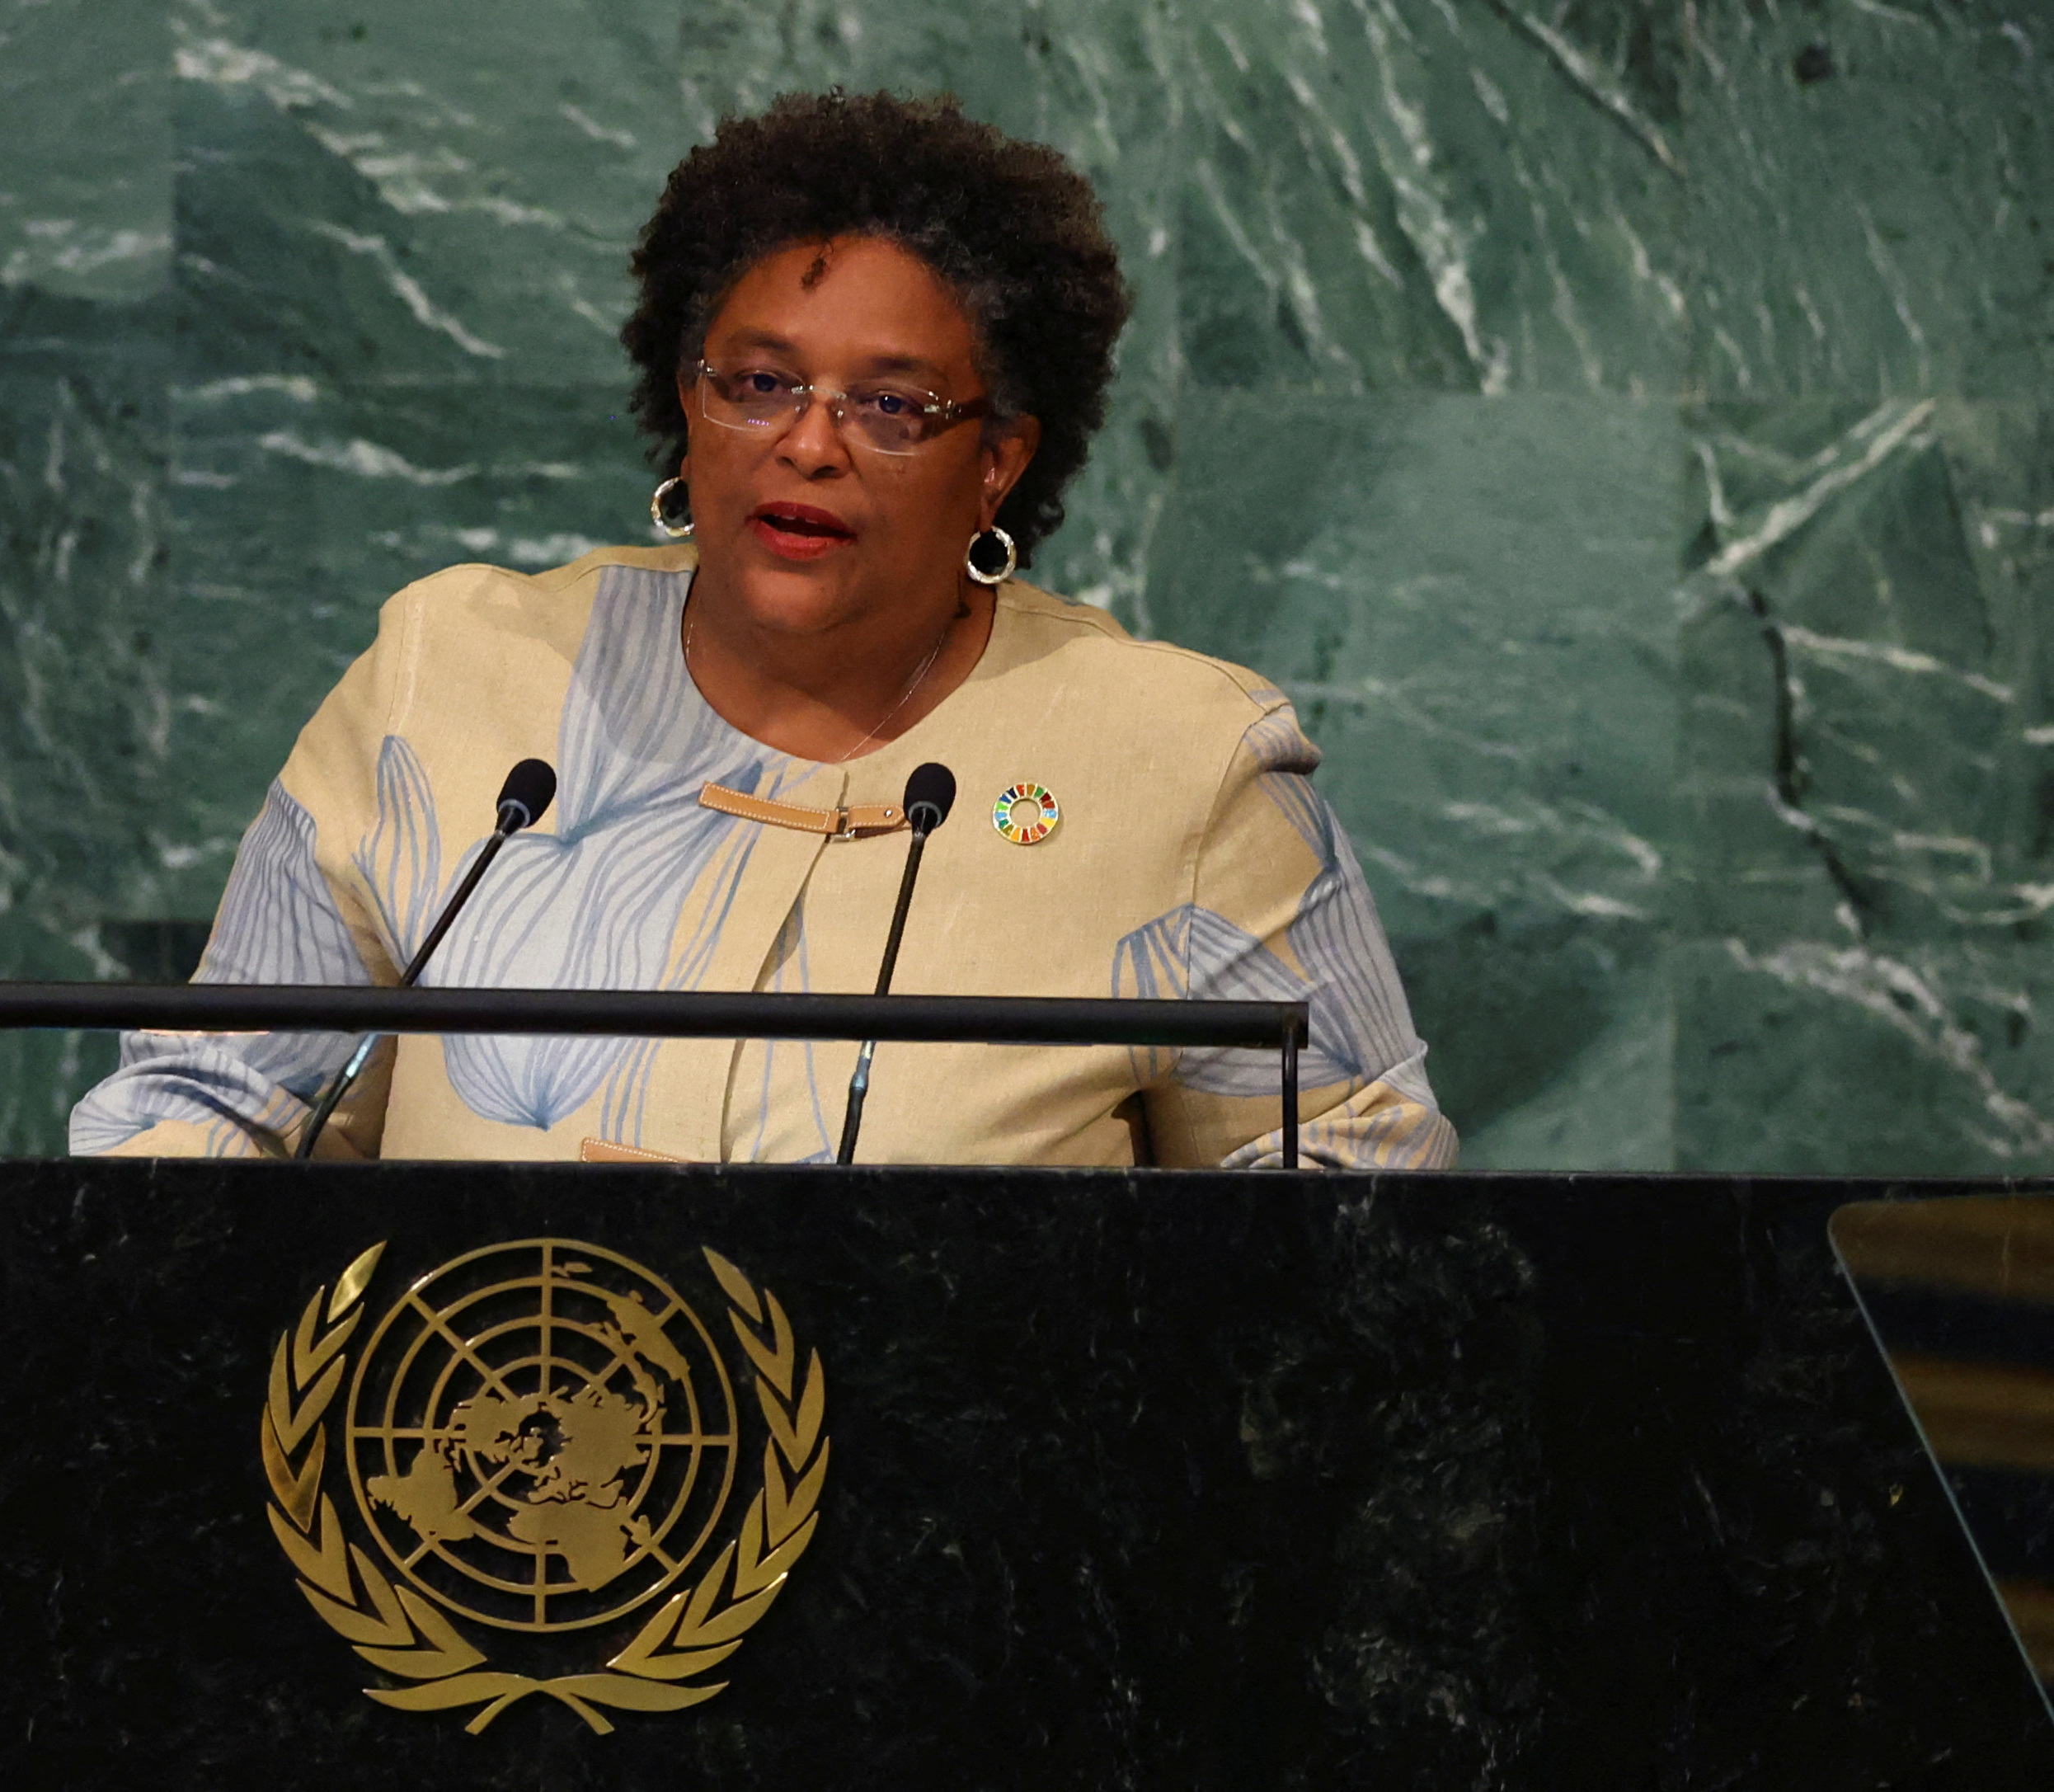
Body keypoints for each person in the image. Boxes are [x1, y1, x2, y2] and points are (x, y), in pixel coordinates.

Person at [71, 91, 1455, 1169]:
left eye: (892, 404)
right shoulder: (457, 682)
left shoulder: (1175, 764)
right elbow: (209, 1092)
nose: (808, 443)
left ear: (1001, 461)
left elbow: (1356, 1190)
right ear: (687, 404)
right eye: (760, 382)